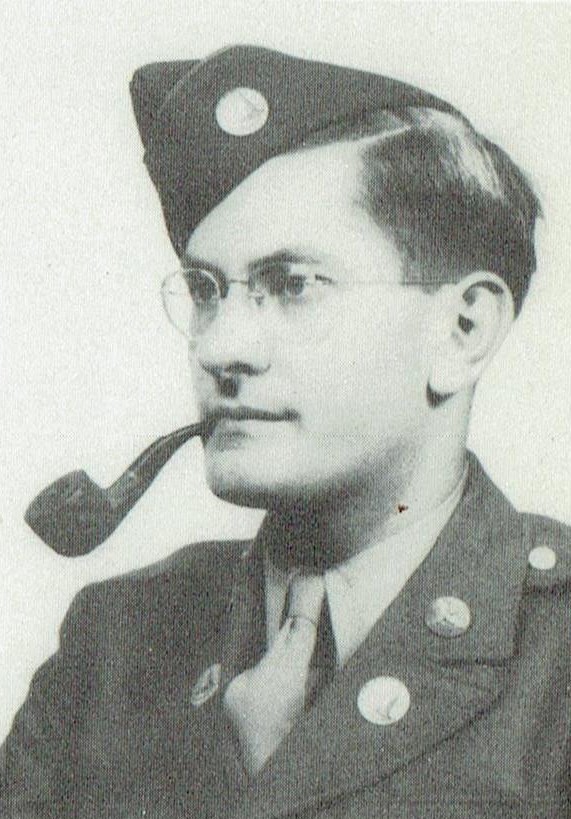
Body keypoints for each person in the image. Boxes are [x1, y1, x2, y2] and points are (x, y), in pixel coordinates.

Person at [1, 44, 569, 819]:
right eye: (206, 290)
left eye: (293, 285)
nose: (219, 346)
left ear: (462, 329)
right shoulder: (112, 644)